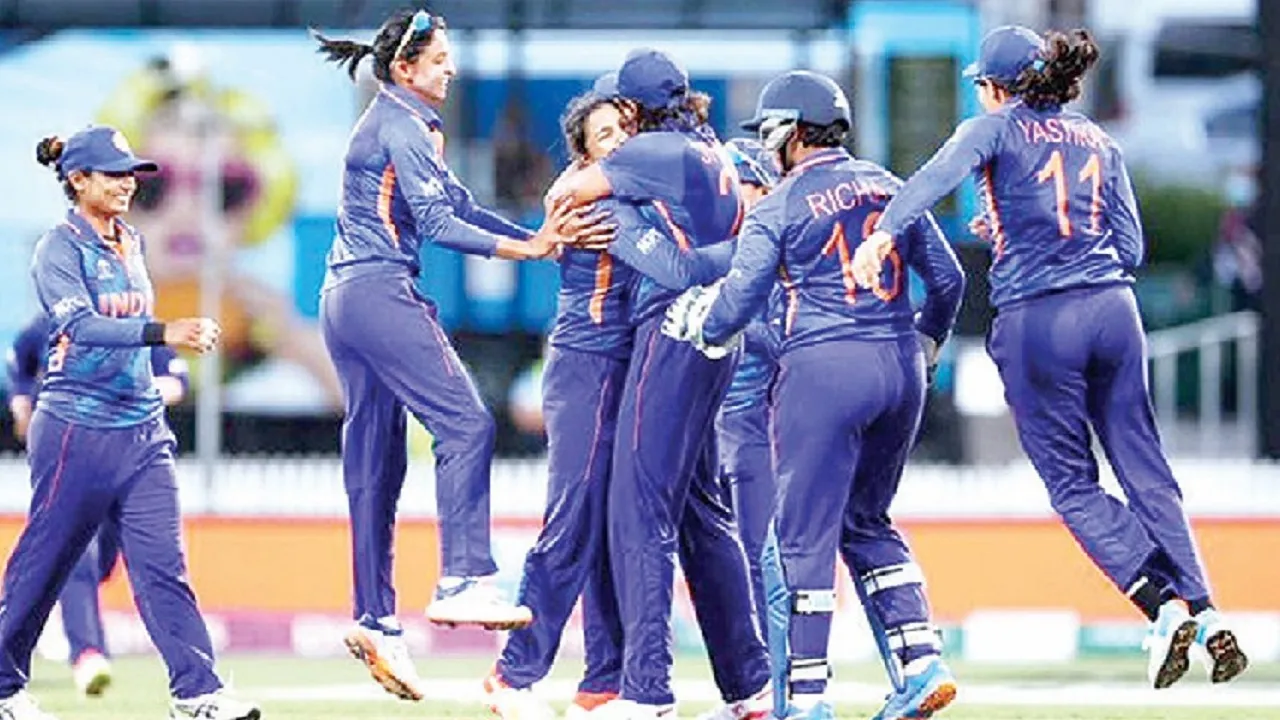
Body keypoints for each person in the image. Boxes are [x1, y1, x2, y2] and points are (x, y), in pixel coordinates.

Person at [851, 25, 1249, 689]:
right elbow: (1131, 247)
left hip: (1040, 319)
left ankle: (1162, 603)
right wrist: (1036, 233)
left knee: (1072, 484)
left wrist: (883, 234)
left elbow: (934, 177)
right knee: (1147, 469)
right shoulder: (1098, 138)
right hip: (1114, 311)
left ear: (993, 86)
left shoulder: (994, 127)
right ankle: (1204, 611)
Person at [310, 7, 607, 701]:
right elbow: (440, 222)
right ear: (404, 68)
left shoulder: (395, 121)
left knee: (376, 460)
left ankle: (376, 619)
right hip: (380, 290)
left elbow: (462, 205)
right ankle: (464, 575)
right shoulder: (404, 124)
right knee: (468, 424)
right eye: (440, 59)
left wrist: (536, 239)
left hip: (342, 299)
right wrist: (529, 250)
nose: (452, 69)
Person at [667, 69, 965, 720]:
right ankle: (921, 662)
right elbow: (948, 280)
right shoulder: (887, 185)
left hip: (824, 371)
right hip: (900, 367)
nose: (765, 146)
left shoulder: (776, 206)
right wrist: (926, 344)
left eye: (769, 133)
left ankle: (804, 701)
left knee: (798, 542)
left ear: (791, 131)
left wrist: (702, 327)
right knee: (868, 522)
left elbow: (737, 305)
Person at [0, 127, 257, 720]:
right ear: (78, 180)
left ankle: (197, 693)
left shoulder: (132, 241)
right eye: (113, 174)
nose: (127, 184)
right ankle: (4, 688)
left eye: (131, 174)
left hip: (142, 431)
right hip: (75, 429)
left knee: (164, 566)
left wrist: (162, 356)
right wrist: (165, 332)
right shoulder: (58, 249)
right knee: (45, 565)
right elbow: (80, 327)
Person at [550, 49, 772, 719]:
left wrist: (621, 224)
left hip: (672, 331)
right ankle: (751, 687)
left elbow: (567, 196)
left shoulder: (653, 152)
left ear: (633, 110)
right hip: (716, 335)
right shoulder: (712, 150)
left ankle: (647, 692)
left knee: (637, 507)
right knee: (703, 514)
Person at [9, 312, 189, 698]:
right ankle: (88, 654)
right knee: (79, 557)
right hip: (71, 453)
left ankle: (56, 611)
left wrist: (128, 396)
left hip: (131, 456)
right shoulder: (50, 326)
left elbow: (176, 382)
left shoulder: (139, 326)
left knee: (104, 560)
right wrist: (22, 402)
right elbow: (20, 364)